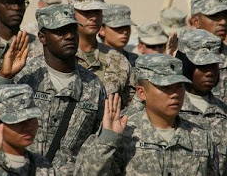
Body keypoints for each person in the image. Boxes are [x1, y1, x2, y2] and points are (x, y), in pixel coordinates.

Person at [74, 54, 219, 175]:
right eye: (166, 88)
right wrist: (107, 140)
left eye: (179, 87)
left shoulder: (201, 137)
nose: (175, 94)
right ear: (142, 93)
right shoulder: (124, 134)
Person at [5, 4, 106, 174]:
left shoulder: (93, 85)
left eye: (73, 30)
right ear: (42, 37)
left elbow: (96, 142)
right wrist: (4, 78)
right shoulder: (24, 77)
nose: (69, 36)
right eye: (60, 31)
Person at [66, 0, 133, 104]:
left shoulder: (118, 60)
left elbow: (130, 105)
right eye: (86, 12)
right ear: (71, 13)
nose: (93, 17)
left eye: (97, 11)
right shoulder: (55, 56)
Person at [176, 28, 227, 174]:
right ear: (185, 66)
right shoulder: (170, 109)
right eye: (202, 66)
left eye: (214, 65)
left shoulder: (223, 111)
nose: (210, 72)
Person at [189, 0, 227, 104]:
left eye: (226, 16)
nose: (223, 22)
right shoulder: (183, 59)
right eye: (214, 16)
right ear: (195, 21)